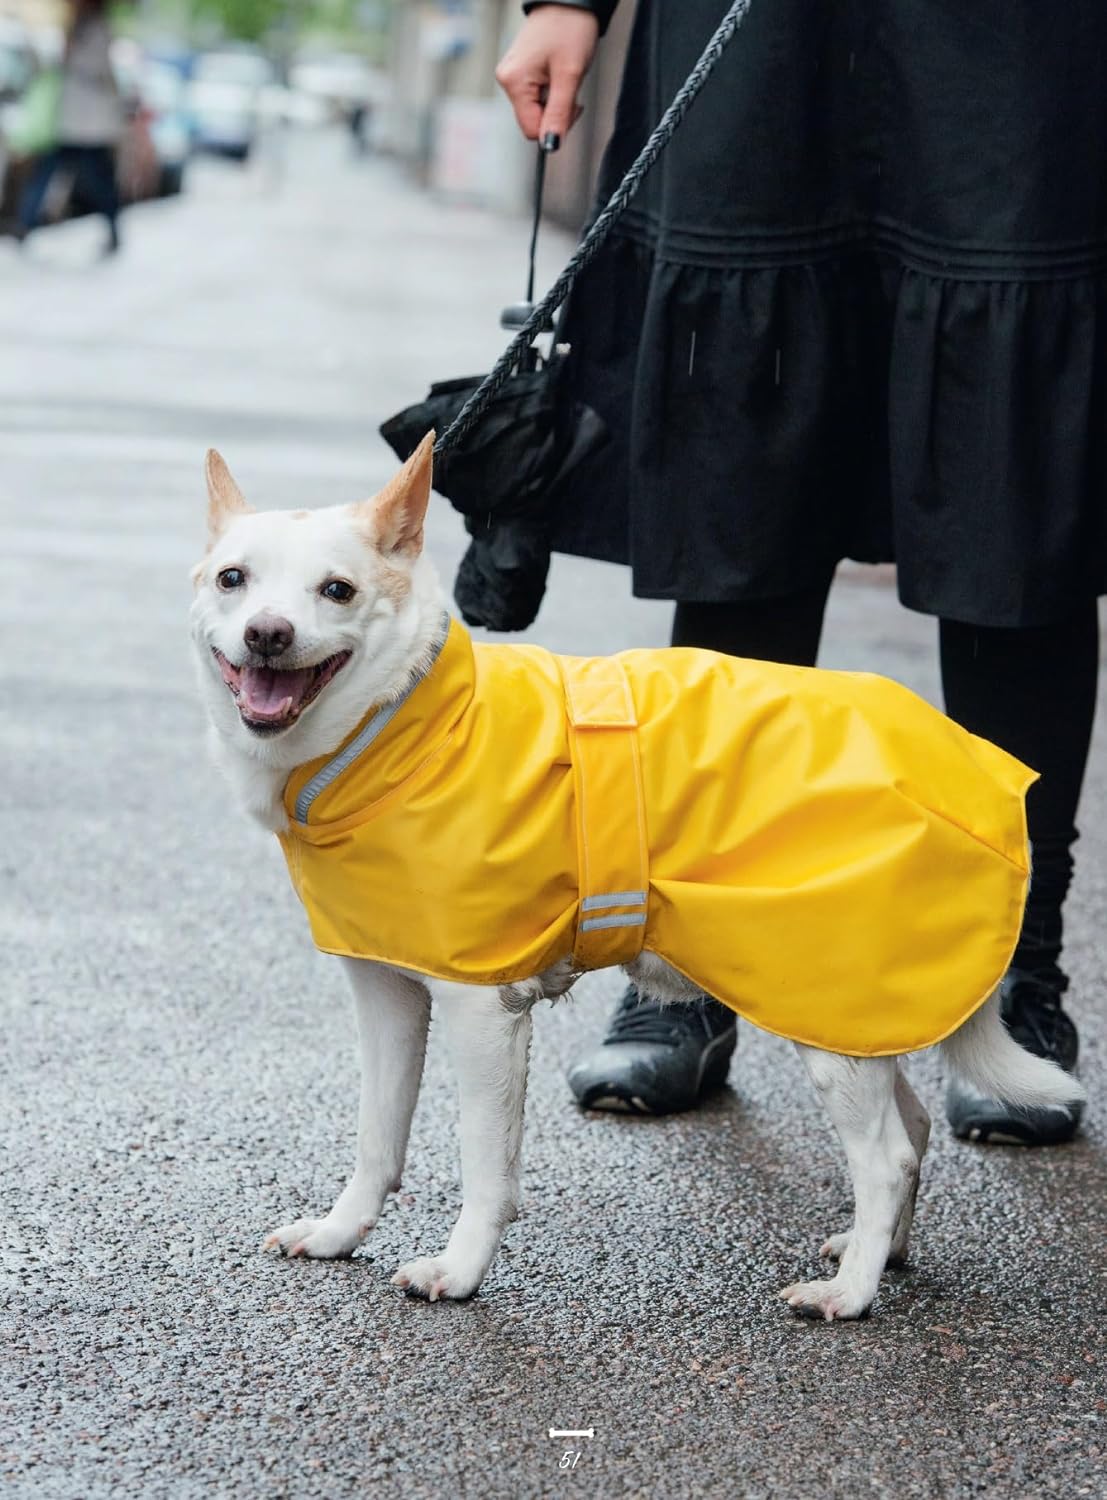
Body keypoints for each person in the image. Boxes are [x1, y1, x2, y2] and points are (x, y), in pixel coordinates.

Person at [495, 0, 1105, 1144]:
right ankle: (693, 966)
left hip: (1019, 50)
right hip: (762, 40)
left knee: (1012, 497)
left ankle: (1012, 974)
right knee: (742, 490)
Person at [18, 0, 123, 254]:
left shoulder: (98, 30)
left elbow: (99, 71)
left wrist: (72, 56)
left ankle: (113, 230)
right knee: (46, 172)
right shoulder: (76, 29)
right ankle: (26, 224)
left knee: (99, 181)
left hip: (91, 127)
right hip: (69, 124)